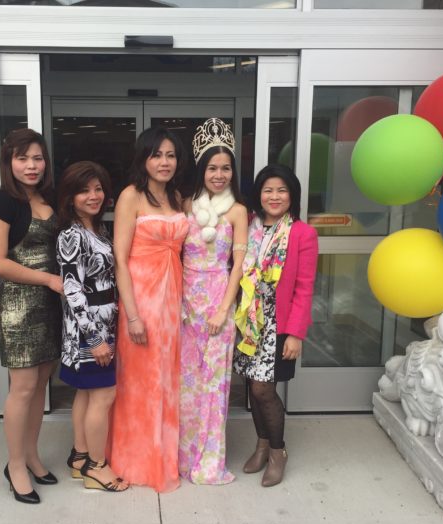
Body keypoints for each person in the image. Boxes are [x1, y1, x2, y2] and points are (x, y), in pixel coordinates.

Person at [109, 127, 189, 493]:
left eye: (170, 155)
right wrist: (134, 315)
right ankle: (137, 460)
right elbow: (120, 261)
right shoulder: (131, 196)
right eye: (157, 155)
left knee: (168, 380)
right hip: (141, 299)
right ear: (143, 158)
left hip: (174, 299)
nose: (164, 162)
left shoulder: (177, 196)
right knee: (140, 382)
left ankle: (165, 456)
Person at [0, 128, 62, 504]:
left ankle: (32, 454)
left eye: (37, 158)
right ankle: (15, 464)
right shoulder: (3, 202)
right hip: (19, 305)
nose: (31, 166)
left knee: (41, 383)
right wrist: (48, 278)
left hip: (50, 304)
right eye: (22, 158)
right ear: (9, 162)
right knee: (23, 388)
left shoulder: (47, 196)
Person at [233, 164, 319, 487]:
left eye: (281, 190)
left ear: (292, 195)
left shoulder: (302, 233)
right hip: (250, 320)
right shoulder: (250, 226)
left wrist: (296, 333)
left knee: (263, 388)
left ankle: (278, 452)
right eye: (268, 190)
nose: (274, 196)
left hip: (278, 322)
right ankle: (261, 444)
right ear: (259, 194)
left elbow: (304, 287)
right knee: (250, 387)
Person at [178, 118, 248, 485]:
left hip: (219, 298)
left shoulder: (236, 211)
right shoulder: (184, 205)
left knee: (215, 384)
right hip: (186, 302)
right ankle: (184, 456)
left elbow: (239, 265)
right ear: (201, 169)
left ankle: (209, 462)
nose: (219, 175)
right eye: (212, 167)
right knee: (187, 384)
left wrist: (225, 308)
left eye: (225, 168)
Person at [56, 161, 129, 493]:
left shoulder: (97, 229)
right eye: (84, 190)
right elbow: (72, 290)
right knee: (103, 395)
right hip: (89, 331)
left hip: (102, 324)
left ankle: (80, 457)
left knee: (86, 394)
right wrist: (95, 339)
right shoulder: (71, 235)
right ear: (70, 197)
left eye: (98, 188)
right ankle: (97, 468)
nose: (93, 195)